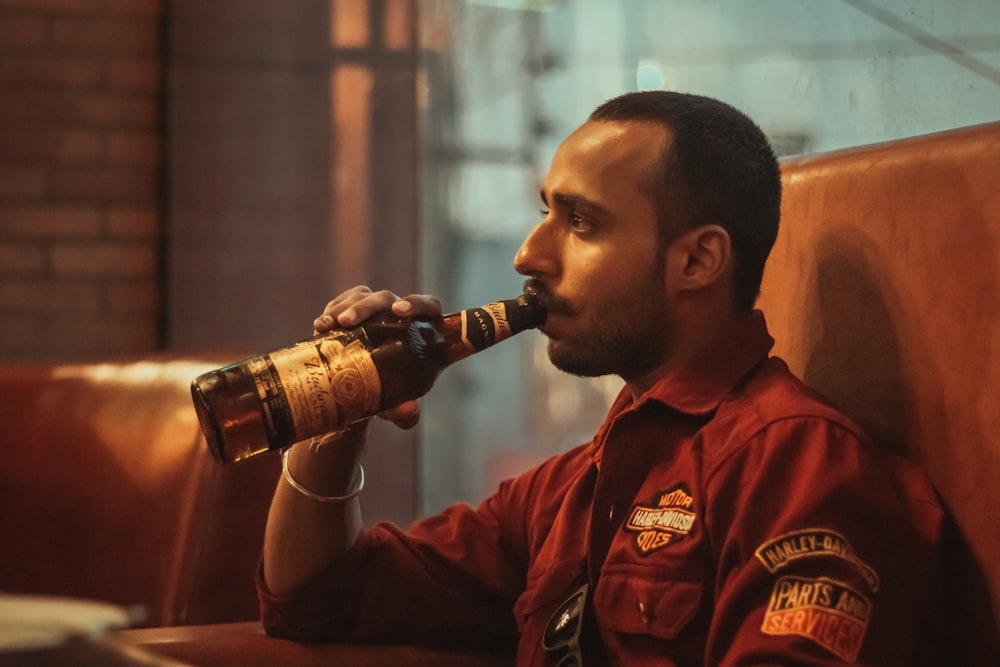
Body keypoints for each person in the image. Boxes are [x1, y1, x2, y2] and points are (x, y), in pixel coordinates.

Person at [257, 91, 944, 665]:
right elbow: (318, 597)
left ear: (698, 260)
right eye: (544, 212)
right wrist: (341, 408)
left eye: (581, 222)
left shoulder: (795, 461)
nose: (529, 255)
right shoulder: (575, 485)